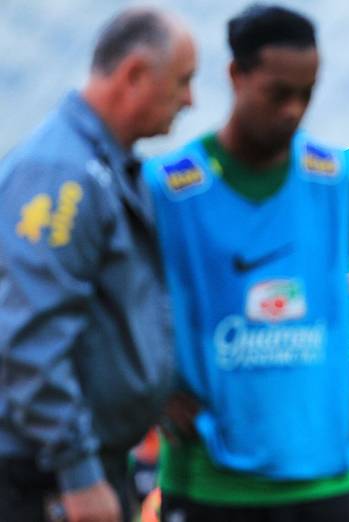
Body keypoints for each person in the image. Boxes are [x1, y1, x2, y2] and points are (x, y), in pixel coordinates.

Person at [143, 5, 349, 521]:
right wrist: (155, 388)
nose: (293, 110)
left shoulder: (335, 180)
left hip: (320, 481)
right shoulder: (172, 189)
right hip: (209, 482)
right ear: (236, 76)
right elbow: (116, 298)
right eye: (278, 93)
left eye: (306, 94)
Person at [0, 8, 195, 522]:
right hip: (42, 472)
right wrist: (79, 475)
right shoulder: (62, 171)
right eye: (183, 82)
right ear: (134, 75)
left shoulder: (107, 166)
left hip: (85, 460)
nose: (191, 99)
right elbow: (30, 338)